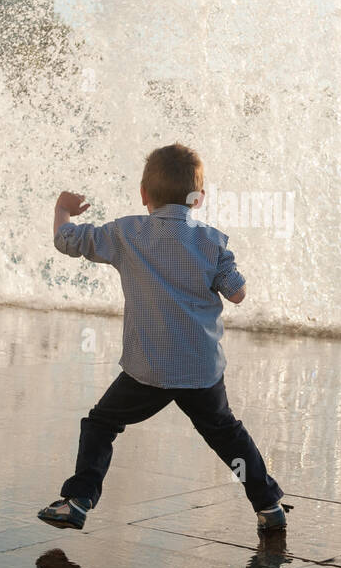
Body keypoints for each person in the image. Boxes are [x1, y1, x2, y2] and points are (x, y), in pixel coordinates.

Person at [37, 142, 289, 532]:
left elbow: (68, 241)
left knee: (102, 424)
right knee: (228, 436)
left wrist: (62, 210)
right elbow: (238, 293)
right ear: (198, 199)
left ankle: (79, 499)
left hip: (147, 369)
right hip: (201, 370)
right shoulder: (212, 241)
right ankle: (268, 505)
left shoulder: (126, 233)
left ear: (144, 195)